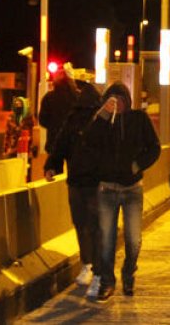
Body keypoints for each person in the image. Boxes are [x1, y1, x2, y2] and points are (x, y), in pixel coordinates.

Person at [84, 82, 161, 302]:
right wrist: (103, 115)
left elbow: (154, 147)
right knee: (106, 240)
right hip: (106, 189)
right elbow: (88, 142)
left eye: (120, 98)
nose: (115, 102)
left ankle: (129, 273)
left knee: (133, 239)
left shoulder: (139, 119)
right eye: (111, 99)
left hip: (132, 190)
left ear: (128, 100)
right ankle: (108, 282)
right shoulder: (101, 122)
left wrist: (137, 165)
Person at [44, 85, 103, 291]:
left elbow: (60, 145)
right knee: (93, 226)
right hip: (93, 182)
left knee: (83, 225)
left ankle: (91, 265)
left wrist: (52, 166)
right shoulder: (100, 119)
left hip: (80, 181)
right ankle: (93, 267)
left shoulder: (74, 119)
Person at [39, 67, 79, 154]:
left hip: (54, 142)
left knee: (54, 167)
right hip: (73, 142)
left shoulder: (48, 98)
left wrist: (53, 125)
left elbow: (42, 121)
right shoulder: (78, 97)